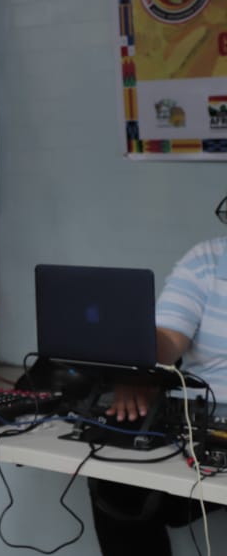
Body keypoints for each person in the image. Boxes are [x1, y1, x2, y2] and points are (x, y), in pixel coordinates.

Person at [88, 231, 227, 556]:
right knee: (114, 481)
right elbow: (166, 341)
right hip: (197, 422)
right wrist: (136, 364)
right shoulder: (208, 259)